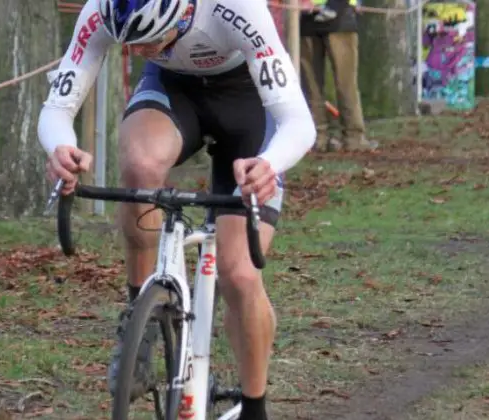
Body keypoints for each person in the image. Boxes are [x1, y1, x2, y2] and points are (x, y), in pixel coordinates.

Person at [36, 0, 316, 418]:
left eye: (150, 39)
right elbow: (58, 108)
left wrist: (269, 165)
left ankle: (254, 405)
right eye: (130, 43)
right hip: (173, 92)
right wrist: (60, 148)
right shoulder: (103, 9)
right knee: (139, 165)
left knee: (239, 274)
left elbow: (298, 122)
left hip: (250, 103)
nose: (140, 50)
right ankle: (141, 322)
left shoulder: (235, 9)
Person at [300, 0, 376, 152]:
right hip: (336, 16)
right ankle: (352, 137)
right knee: (344, 84)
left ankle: (318, 137)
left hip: (310, 16)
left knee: (312, 85)